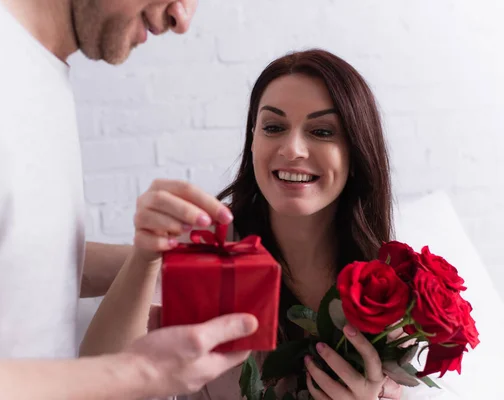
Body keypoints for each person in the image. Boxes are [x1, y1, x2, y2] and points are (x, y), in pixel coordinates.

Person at [0, 0, 259, 398]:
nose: (181, 18)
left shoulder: (38, 68)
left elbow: (5, 259)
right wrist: (137, 373)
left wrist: (163, 260)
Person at [81, 49, 405, 399]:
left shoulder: (393, 295)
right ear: (253, 142)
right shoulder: (203, 249)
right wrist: (145, 256)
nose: (293, 148)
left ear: (356, 153)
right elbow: (93, 386)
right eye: (274, 127)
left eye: (322, 131)